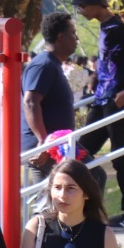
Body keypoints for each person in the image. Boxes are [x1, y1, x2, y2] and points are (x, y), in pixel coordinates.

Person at [73, 0, 124, 228]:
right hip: (101, 100)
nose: (81, 10)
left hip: (118, 100)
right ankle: (84, 212)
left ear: (96, 3)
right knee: (80, 152)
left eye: (83, 5)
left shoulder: (116, 28)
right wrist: (96, 78)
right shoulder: (105, 27)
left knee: (120, 156)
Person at [22, 14, 80, 160]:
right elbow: (30, 102)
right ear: (61, 37)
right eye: (73, 33)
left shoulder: (52, 64)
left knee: (92, 172)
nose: (77, 38)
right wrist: (43, 142)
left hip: (59, 144)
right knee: (93, 172)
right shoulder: (43, 65)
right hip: (48, 148)